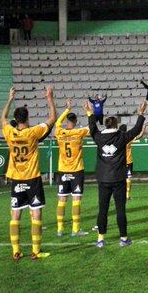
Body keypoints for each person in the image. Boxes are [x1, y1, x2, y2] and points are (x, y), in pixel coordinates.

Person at [1, 86, 57, 261]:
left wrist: (10, 99)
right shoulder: (32, 132)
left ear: (16, 120)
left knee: (15, 215)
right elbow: (53, 119)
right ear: (28, 118)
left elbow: (2, 118)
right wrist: (49, 98)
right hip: (32, 179)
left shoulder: (9, 132)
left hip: (16, 179)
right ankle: (36, 251)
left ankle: (15, 251)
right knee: (36, 214)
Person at [85, 99, 146, 248]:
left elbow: (92, 128)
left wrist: (90, 113)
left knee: (102, 210)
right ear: (116, 125)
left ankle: (100, 239)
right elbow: (137, 130)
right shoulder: (121, 137)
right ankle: (123, 238)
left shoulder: (99, 138)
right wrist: (140, 114)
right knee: (120, 210)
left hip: (103, 179)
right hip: (118, 179)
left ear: (106, 125)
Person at [54, 99, 90, 237]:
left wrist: (67, 109)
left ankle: (60, 229)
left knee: (62, 200)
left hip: (63, 169)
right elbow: (91, 127)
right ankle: (75, 230)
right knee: (76, 200)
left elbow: (57, 122)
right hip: (76, 170)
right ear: (75, 122)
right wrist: (88, 111)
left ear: (66, 121)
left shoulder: (59, 131)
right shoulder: (79, 132)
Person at [120, 123, 147, 201]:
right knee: (128, 178)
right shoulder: (128, 138)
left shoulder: (117, 138)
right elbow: (140, 135)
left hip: (119, 162)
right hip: (128, 161)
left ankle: (120, 195)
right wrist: (144, 126)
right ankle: (127, 196)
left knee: (120, 179)